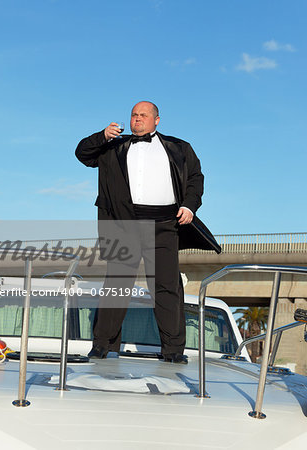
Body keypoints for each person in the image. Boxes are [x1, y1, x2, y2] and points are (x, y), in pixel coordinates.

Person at [75, 101, 220, 363]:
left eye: (143, 115)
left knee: (167, 287)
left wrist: (189, 205)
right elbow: (82, 154)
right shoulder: (113, 146)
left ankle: (174, 350)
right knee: (117, 285)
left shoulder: (179, 147)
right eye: (134, 115)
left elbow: (195, 178)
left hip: (165, 225)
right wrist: (102, 135)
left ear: (157, 120)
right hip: (123, 224)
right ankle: (102, 345)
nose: (137, 119)